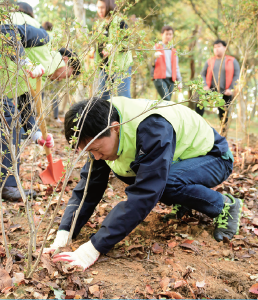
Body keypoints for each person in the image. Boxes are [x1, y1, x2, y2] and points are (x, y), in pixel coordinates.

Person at [43, 96, 242, 271]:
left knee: (165, 184)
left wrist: (92, 249)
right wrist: (65, 233)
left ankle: (225, 206)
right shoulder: (100, 127)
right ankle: (187, 200)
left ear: (115, 128)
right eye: (88, 152)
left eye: (96, 149)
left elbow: (146, 192)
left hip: (214, 157)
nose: (95, 156)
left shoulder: (152, 128)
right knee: (148, 176)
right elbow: (89, 188)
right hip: (180, 160)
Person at [0, 19, 80, 200]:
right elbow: (6, 30)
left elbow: (26, 108)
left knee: (12, 120)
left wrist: (38, 136)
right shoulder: (43, 40)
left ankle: (8, 184)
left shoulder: (40, 79)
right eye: (70, 74)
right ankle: (8, 185)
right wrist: (26, 63)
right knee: (11, 122)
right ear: (65, 60)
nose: (65, 80)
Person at [195, 39, 240, 126]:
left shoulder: (232, 61)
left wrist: (231, 89)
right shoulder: (210, 61)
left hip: (225, 92)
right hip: (210, 90)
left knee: (223, 115)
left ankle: (223, 133)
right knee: (199, 100)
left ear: (225, 47)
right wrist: (205, 86)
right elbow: (202, 74)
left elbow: (236, 76)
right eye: (215, 47)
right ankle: (197, 123)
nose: (216, 49)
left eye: (219, 46)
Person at [95, 0, 133, 100]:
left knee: (123, 97)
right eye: (98, 7)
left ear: (109, 6)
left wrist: (113, 48)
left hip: (120, 66)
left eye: (102, 7)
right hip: (104, 67)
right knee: (102, 99)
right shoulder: (101, 26)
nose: (100, 10)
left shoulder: (120, 22)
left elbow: (127, 44)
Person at [152, 25, 182, 101]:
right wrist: (153, 57)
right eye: (166, 34)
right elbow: (150, 62)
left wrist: (179, 81)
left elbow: (176, 67)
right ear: (162, 35)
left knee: (166, 103)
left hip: (171, 80)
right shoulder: (156, 47)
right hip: (159, 78)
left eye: (170, 34)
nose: (168, 36)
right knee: (167, 99)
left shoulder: (174, 50)